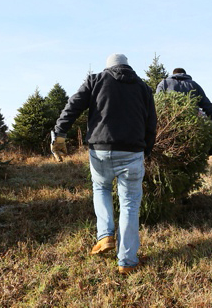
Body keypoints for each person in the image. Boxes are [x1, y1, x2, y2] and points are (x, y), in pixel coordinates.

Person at [50, 53, 157, 274]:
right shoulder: (144, 88)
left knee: (101, 188)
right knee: (129, 204)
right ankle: (127, 262)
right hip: (132, 152)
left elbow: (73, 107)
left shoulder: (96, 80)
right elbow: (151, 124)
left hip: (100, 150)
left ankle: (105, 235)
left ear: (108, 67)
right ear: (128, 66)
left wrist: (59, 133)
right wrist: (145, 150)